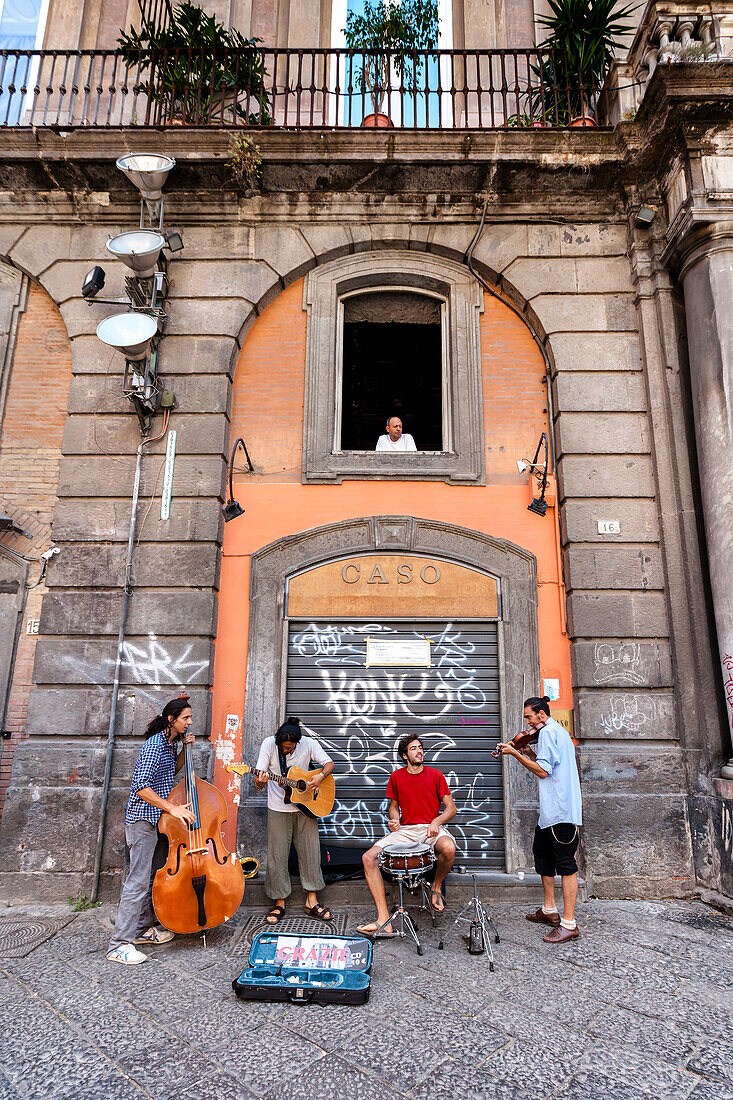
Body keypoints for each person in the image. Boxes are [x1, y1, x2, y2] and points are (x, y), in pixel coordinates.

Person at [107, 695, 197, 965]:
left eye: (190, 718)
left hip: (158, 822)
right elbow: (141, 787)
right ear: (171, 719)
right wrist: (173, 809)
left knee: (150, 878)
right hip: (143, 821)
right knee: (136, 882)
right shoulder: (154, 746)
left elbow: (172, 771)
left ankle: (142, 930)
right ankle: (118, 945)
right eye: (186, 718)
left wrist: (184, 750)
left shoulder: (170, 746)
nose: (190, 722)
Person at [497, 696, 582, 943]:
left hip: (561, 810)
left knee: (566, 865)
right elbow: (546, 766)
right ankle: (549, 910)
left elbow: (543, 771)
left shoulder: (547, 733)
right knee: (543, 856)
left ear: (542, 715)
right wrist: (528, 752)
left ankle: (569, 923)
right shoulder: (556, 733)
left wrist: (513, 752)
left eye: (529, 716)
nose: (527, 722)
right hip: (550, 812)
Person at [357, 734, 456, 935]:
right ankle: (384, 920)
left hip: (430, 827)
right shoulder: (396, 777)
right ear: (404, 755)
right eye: (413, 748)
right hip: (406, 830)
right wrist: (395, 821)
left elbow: (451, 808)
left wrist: (437, 821)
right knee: (368, 858)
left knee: (448, 847)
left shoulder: (435, 775)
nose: (419, 751)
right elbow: (393, 807)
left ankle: (435, 887)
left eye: (420, 747)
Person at [255, 716, 335, 924]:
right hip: (278, 808)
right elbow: (259, 781)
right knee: (277, 856)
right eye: (283, 746)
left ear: (297, 743)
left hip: (306, 808)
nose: (285, 750)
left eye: (290, 748)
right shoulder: (268, 745)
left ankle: (312, 901)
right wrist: (259, 782)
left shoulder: (308, 744)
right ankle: (279, 903)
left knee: (311, 853)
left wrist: (320, 777)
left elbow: (329, 763)